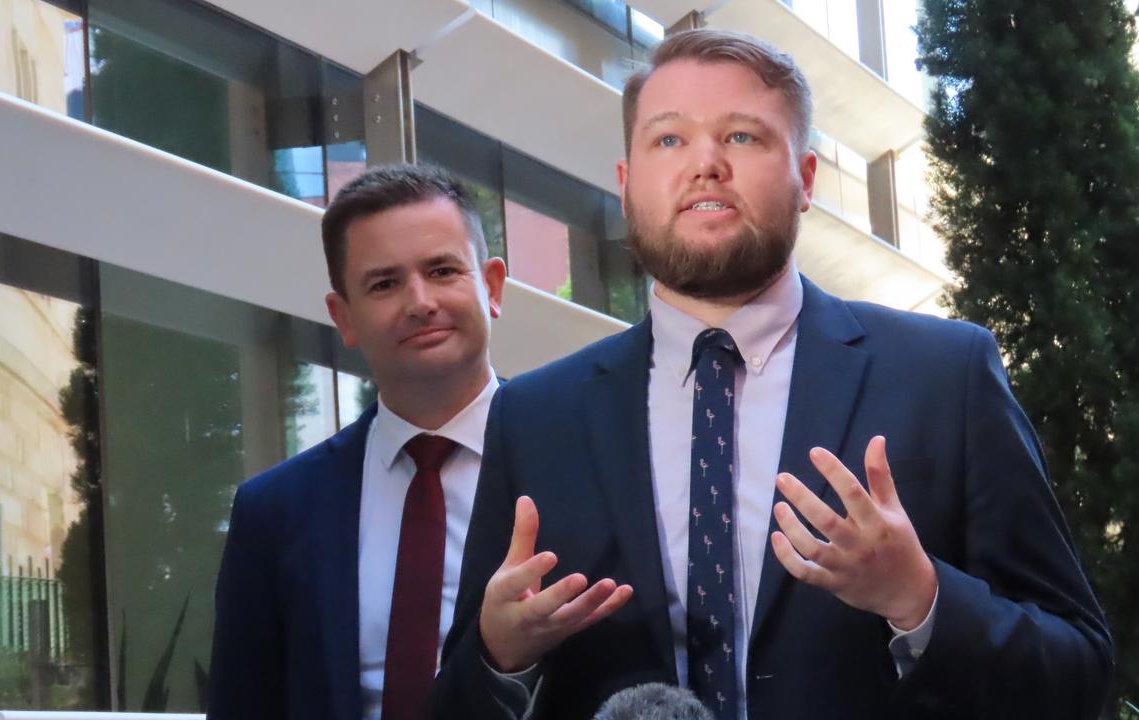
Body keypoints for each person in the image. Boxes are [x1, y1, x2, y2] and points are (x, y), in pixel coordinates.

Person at [433, 29, 1111, 720]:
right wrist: (499, 655)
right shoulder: (534, 416)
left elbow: (1080, 672)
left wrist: (921, 598)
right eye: (668, 140)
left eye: (743, 137)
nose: (705, 165)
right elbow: (454, 705)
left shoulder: (945, 377)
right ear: (626, 182)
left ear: (806, 179)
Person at [207, 163, 506, 720]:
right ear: (344, 318)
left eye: (442, 270)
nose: (420, 302)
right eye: (384, 283)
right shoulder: (274, 512)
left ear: (491, 287)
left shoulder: (580, 462)